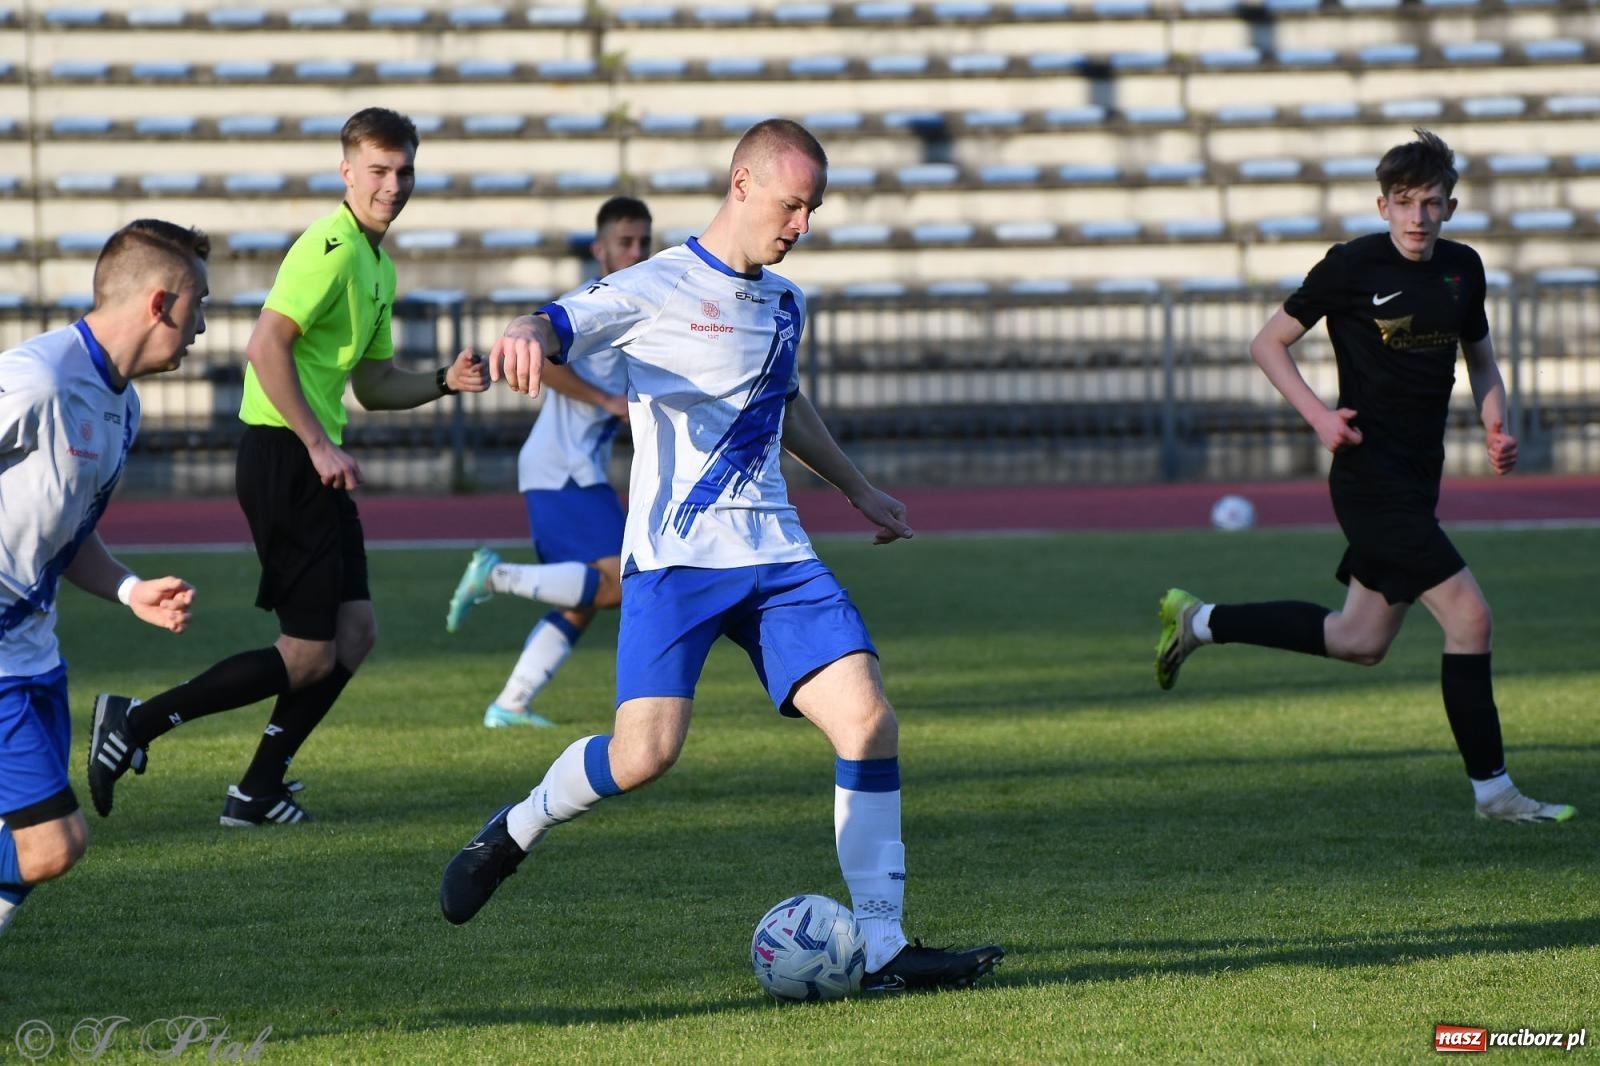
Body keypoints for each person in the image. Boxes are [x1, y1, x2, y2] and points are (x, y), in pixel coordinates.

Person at [438, 119, 1004, 992]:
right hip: (675, 560)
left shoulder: (785, 301)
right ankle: (514, 829)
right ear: (742, 185)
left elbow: (785, 402)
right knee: (645, 755)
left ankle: (885, 948)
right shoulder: (655, 284)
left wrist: (857, 488)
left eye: (813, 210)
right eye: (792, 205)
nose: (802, 225)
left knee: (868, 719)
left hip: (777, 555)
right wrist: (521, 330)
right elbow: (557, 320)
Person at [1155, 129, 1574, 825]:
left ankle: (1200, 621)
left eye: (1432, 204)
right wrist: (1320, 418)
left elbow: (1482, 359)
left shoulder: (1463, 270)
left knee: (1360, 640)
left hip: (1418, 479)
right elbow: (1267, 344)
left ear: (1451, 207)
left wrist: (1496, 423)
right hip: (1368, 477)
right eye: (1405, 203)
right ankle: (1494, 793)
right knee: (1471, 617)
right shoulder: (1351, 266)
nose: (1418, 218)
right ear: (1382, 205)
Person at [86, 107, 488, 827]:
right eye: (378, 170)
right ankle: (135, 723)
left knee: (354, 634)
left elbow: (373, 383)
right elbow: (265, 347)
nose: (393, 185)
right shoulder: (329, 248)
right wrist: (317, 443)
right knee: (306, 654)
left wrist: (441, 382)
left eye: (404, 171)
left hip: (312, 461)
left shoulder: (377, 265)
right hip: (285, 454)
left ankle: (258, 789)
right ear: (347, 173)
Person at [0, 220, 207, 935]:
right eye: (197, 305)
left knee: (34, 852)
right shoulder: (36, 380)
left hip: (37, 659)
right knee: (53, 845)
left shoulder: (123, 405)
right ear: (160, 304)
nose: (203, 327)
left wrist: (127, 588)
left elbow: (68, 532)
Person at [444, 196, 652, 729]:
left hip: (570, 468)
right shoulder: (587, 303)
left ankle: (510, 704)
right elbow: (541, 358)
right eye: (625, 242)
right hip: (564, 469)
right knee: (622, 583)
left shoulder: (638, 306)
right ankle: (496, 577)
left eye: (643, 242)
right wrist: (607, 402)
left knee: (583, 598)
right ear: (599, 249)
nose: (636, 251)